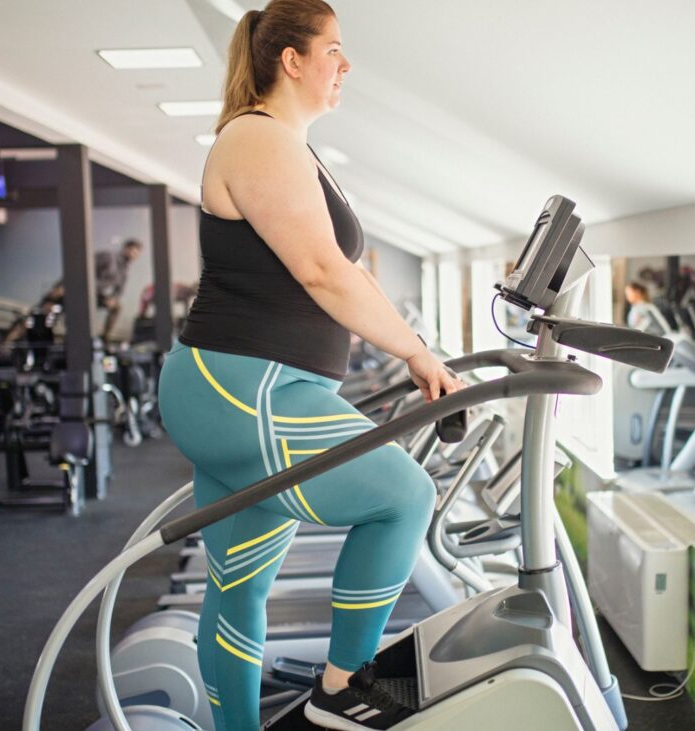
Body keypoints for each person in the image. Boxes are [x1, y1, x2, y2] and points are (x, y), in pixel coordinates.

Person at [155, 2, 463, 728]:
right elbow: (323, 270)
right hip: (242, 384)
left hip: (250, 384)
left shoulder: (286, 144)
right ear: (290, 60)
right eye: (333, 50)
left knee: (239, 590)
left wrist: (412, 344)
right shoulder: (258, 139)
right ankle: (342, 683)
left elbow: (346, 272)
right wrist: (415, 351)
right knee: (404, 495)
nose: (346, 66)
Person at [94, 239, 144, 340]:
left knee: (117, 308)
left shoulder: (125, 270)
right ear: (126, 249)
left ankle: (104, 337)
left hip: (97, 294)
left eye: (137, 254)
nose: (135, 256)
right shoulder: (108, 257)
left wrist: (113, 298)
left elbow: (120, 290)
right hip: (84, 290)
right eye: (134, 252)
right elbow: (84, 267)